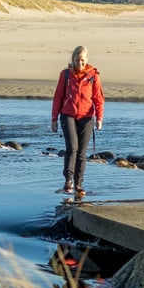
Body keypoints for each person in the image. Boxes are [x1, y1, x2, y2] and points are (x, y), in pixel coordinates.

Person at [51, 45, 104, 195]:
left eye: (82, 60)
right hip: (68, 115)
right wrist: (54, 119)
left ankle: (79, 184)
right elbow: (58, 97)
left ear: (86, 60)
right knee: (72, 148)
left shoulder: (93, 76)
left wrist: (99, 118)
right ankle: (68, 181)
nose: (79, 63)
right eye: (76, 60)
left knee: (81, 152)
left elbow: (98, 98)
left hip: (87, 118)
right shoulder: (65, 75)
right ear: (73, 60)